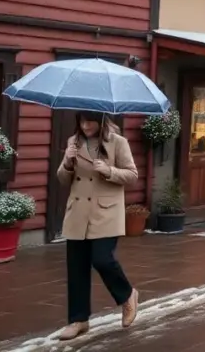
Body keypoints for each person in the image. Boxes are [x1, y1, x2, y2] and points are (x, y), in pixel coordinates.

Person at [55, 112, 139, 341]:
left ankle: (127, 295)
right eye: (81, 121)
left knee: (102, 259)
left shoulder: (118, 143)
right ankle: (78, 320)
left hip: (105, 212)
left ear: (101, 121)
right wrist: (67, 162)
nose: (85, 126)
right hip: (78, 213)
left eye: (89, 121)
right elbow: (63, 179)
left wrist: (109, 171)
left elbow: (132, 175)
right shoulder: (73, 142)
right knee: (76, 267)